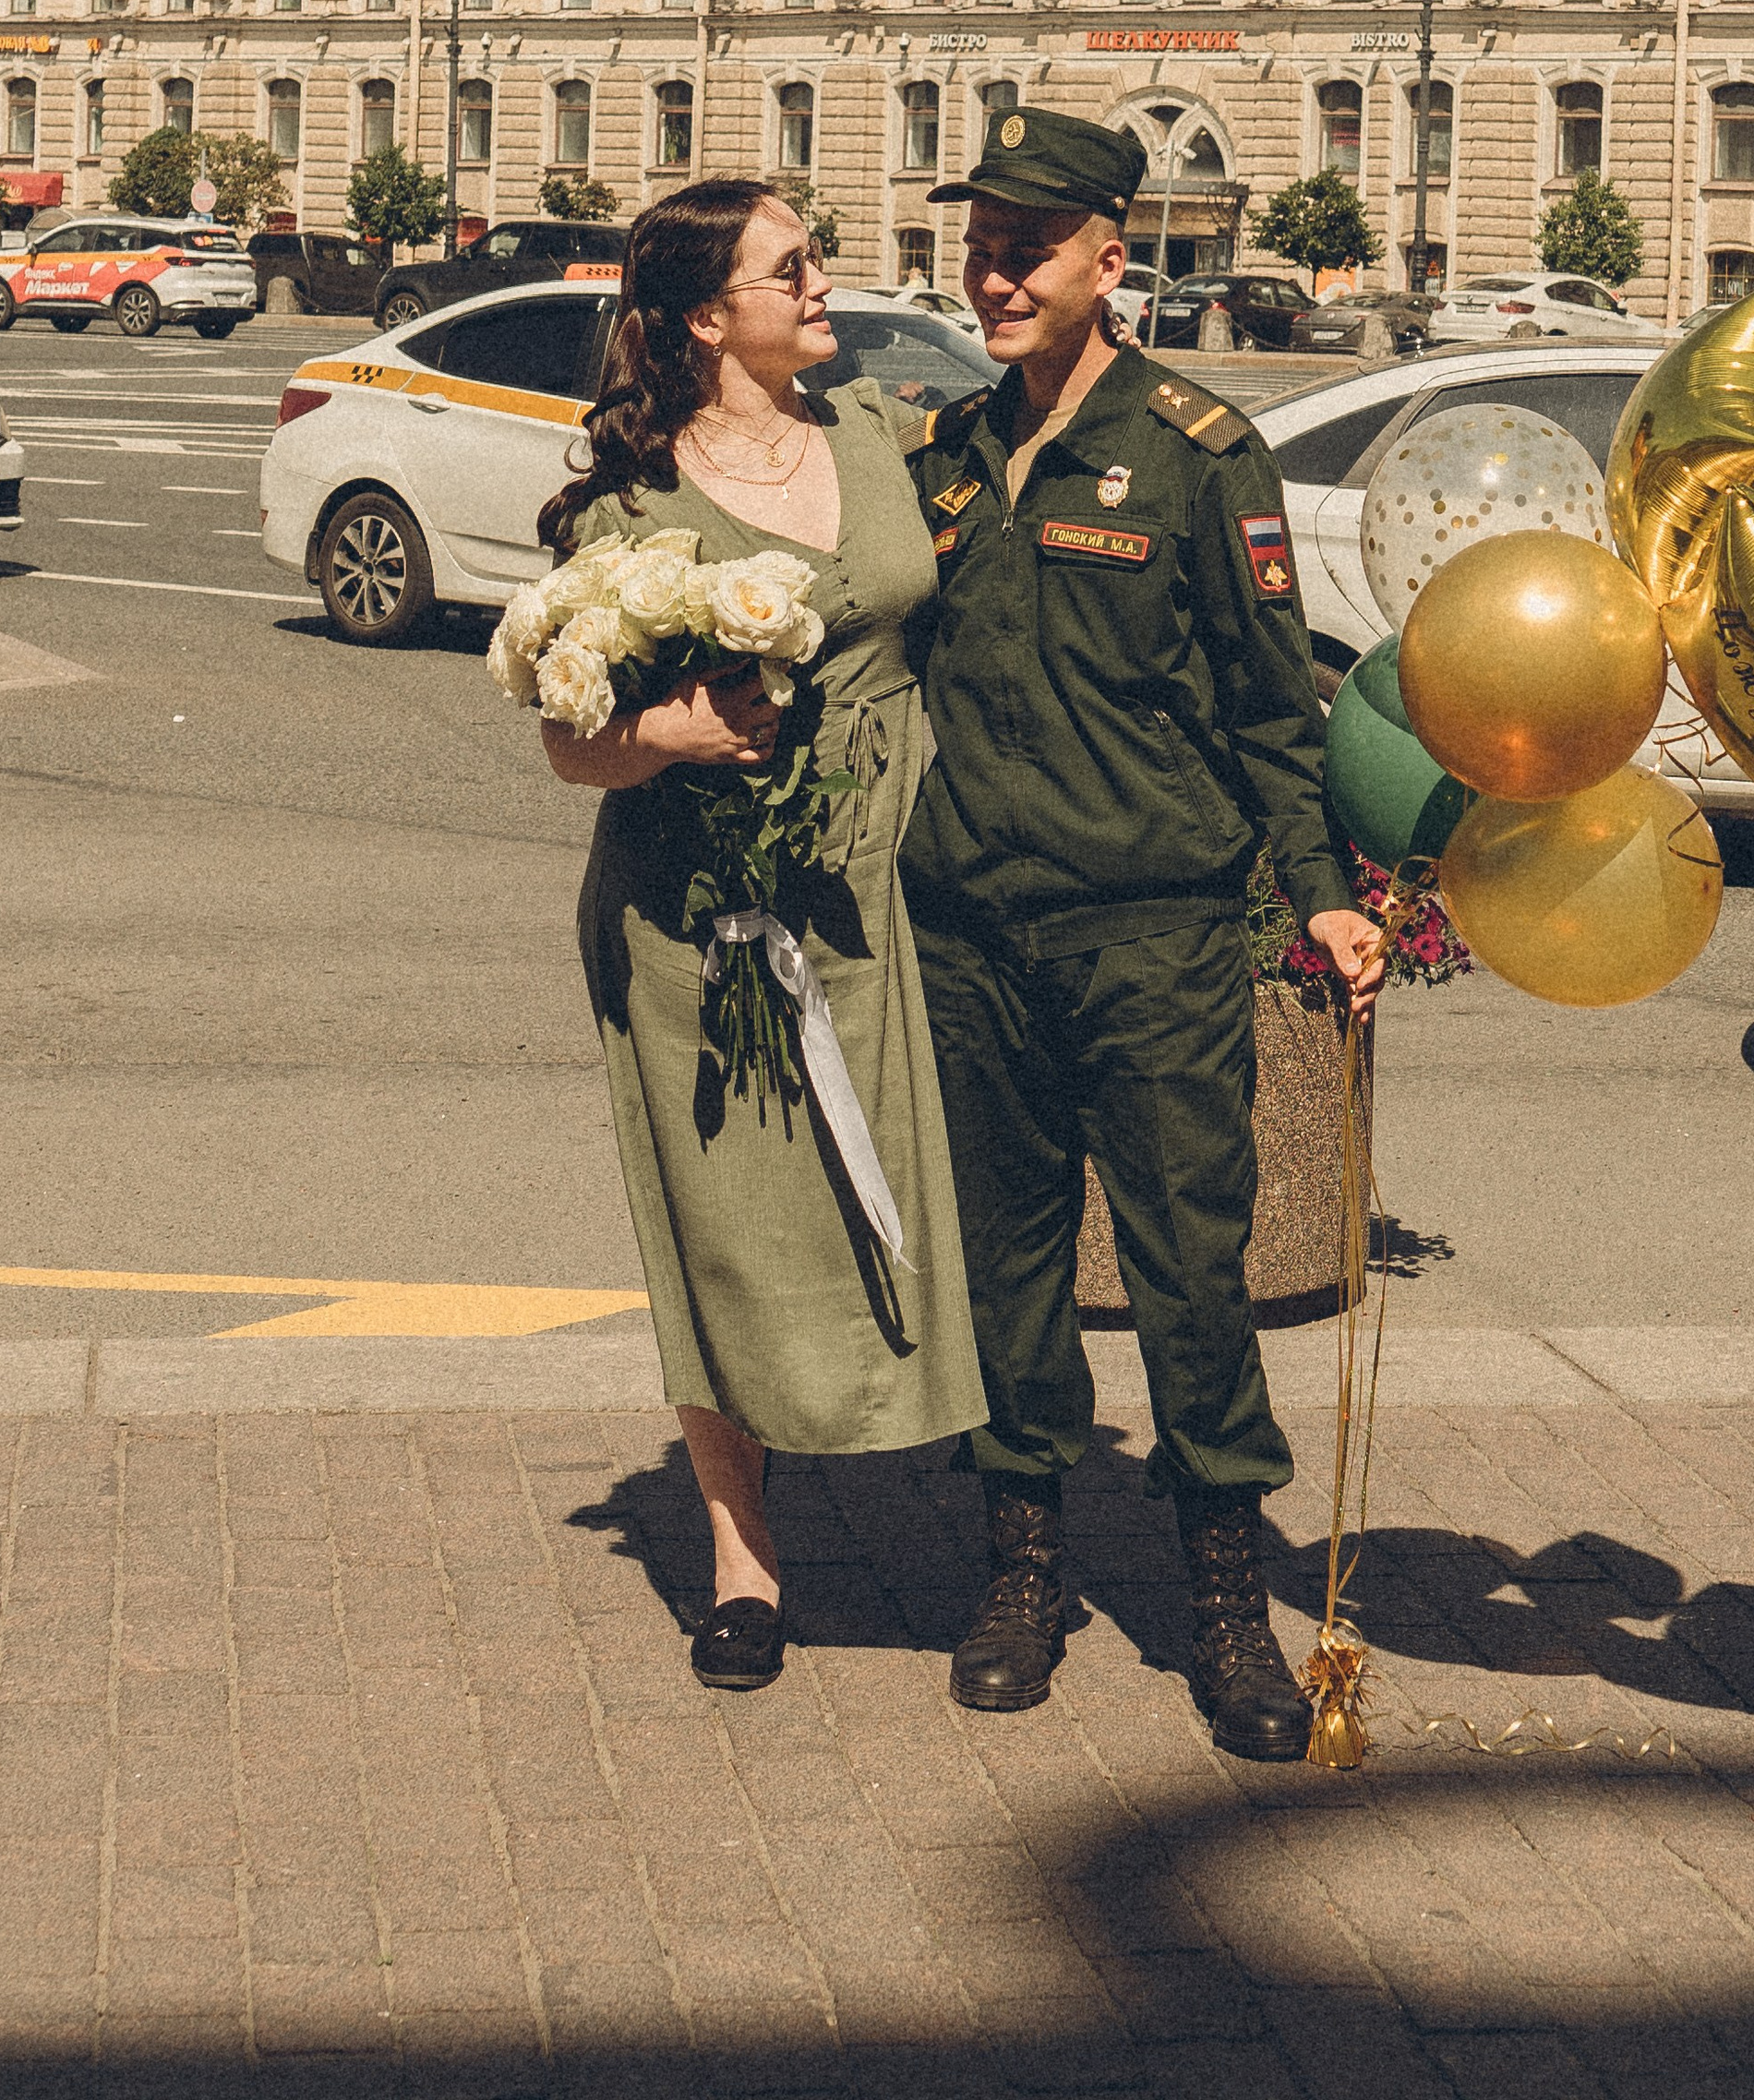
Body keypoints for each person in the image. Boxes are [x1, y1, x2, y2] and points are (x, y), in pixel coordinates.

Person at [900, 109, 1384, 1763]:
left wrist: (1323, 888)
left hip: (1150, 936)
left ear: (1112, 259)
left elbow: (1268, 708)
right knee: (1008, 1265)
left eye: (1028, 248)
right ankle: (1023, 1569)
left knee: (1190, 1268)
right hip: (972, 930)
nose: (995, 274)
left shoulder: (1194, 453)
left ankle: (1225, 1599)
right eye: (981, 244)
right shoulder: (945, 452)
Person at [539, 178, 986, 1694]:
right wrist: (670, 731)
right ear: (703, 318)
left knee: (919, 1186)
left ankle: (973, 1474)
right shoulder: (630, 503)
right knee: (722, 1226)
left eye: (817, 259)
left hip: (891, 879)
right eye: (791, 268)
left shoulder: (880, 435)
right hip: (699, 910)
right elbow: (571, 741)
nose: (822, 284)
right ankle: (744, 1558)